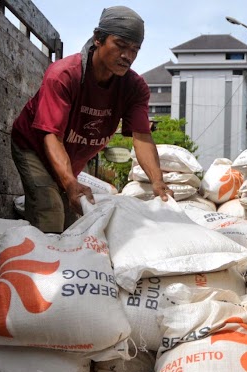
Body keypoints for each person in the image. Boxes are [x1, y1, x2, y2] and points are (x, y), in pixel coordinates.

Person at [11, 6, 172, 233]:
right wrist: (69, 182)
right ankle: (39, 267)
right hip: (34, 146)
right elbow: (52, 136)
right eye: (120, 45)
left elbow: (142, 136)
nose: (128, 56)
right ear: (98, 39)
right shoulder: (65, 75)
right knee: (50, 214)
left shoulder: (134, 88)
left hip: (68, 156)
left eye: (135, 49)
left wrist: (157, 181)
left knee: (71, 228)